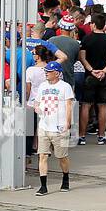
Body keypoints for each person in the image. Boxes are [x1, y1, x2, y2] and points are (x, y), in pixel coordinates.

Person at [30, 61, 74, 196]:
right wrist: (36, 107)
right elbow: (37, 101)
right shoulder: (43, 86)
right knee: (42, 155)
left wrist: (68, 123)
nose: (46, 74)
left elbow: (69, 105)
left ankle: (65, 178)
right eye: (46, 71)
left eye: (48, 72)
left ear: (57, 73)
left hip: (59, 127)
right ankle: (43, 186)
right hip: (44, 126)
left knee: (62, 157)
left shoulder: (65, 87)